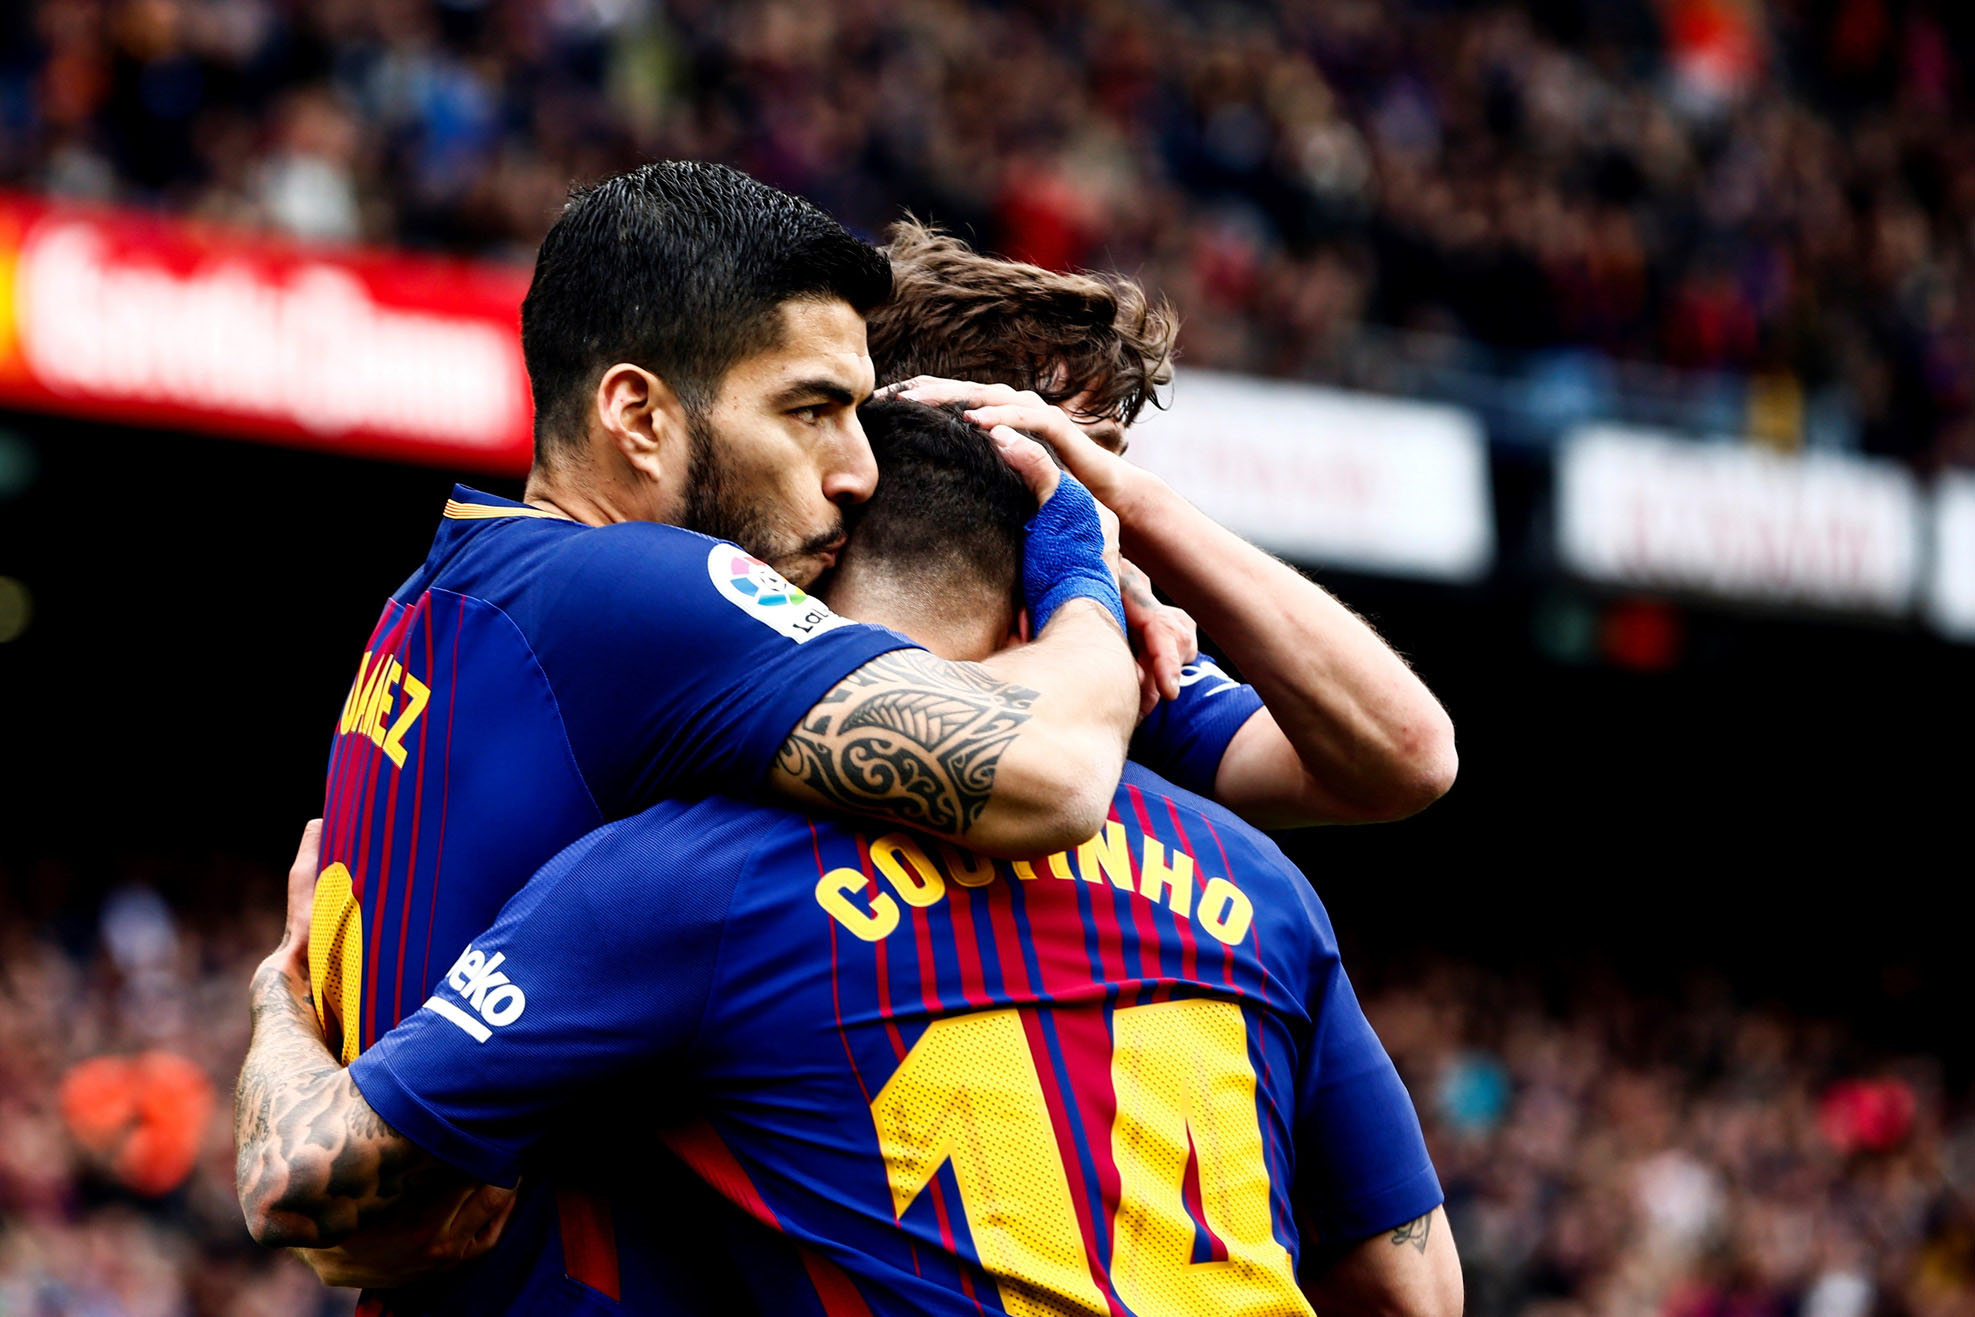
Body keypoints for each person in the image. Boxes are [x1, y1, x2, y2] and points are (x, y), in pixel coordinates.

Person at [237, 399, 1465, 1317]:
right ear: (1045, 612)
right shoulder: (1258, 883)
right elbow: (1413, 1293)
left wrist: (282, 1004)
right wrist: (1093, 560)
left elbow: (324, 1192)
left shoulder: (675, 880)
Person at [870, 221, 1458, 828]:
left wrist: (1135, 506)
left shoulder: (1135, 660)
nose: (1091, 490)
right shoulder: (808, 604)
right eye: (1066, 451)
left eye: (1100, 463)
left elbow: (1410, 758)